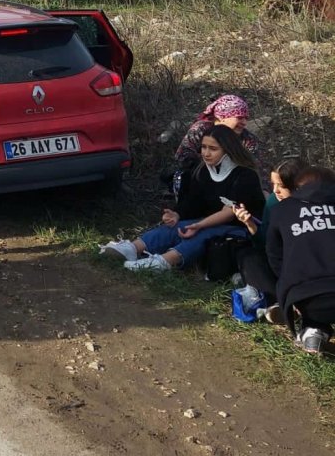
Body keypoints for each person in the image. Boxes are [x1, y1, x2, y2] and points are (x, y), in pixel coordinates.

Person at [101, 124, 265, 271]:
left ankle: (163, 262)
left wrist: (198, 225)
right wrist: (176, 214)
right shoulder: (203, 170)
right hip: (208, 221)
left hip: (242, 229)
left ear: (228, 150)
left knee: (204, 233)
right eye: (204, 147)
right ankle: (133, 248)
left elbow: (229, 212)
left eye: (213, 149)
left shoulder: (245, 176)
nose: (206, 154)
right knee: (176, 227)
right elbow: (193, 201)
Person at [267, 166, 335, 354]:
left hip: (307, 299)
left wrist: (288, 290)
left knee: (313, 298)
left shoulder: (281, 210)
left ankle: (313, 332)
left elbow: (274, 256)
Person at [232, 156, 308, 324]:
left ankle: (295, 302)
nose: (275, 191)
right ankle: (279, 305)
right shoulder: (274, 202)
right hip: (278, 263)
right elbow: (264, 243)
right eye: (273, 184)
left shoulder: (315, 204)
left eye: (281, 186)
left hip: (307, 267)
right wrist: (249, 223)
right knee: (248, 256)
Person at [170, 94, 266, 193]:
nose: (244, 122)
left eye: (246, 118)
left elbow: (257, 169)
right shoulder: (201, 130)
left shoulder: (247, 139)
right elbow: (182, 156)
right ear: (223, 116)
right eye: (240, 118)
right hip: (198, 180)